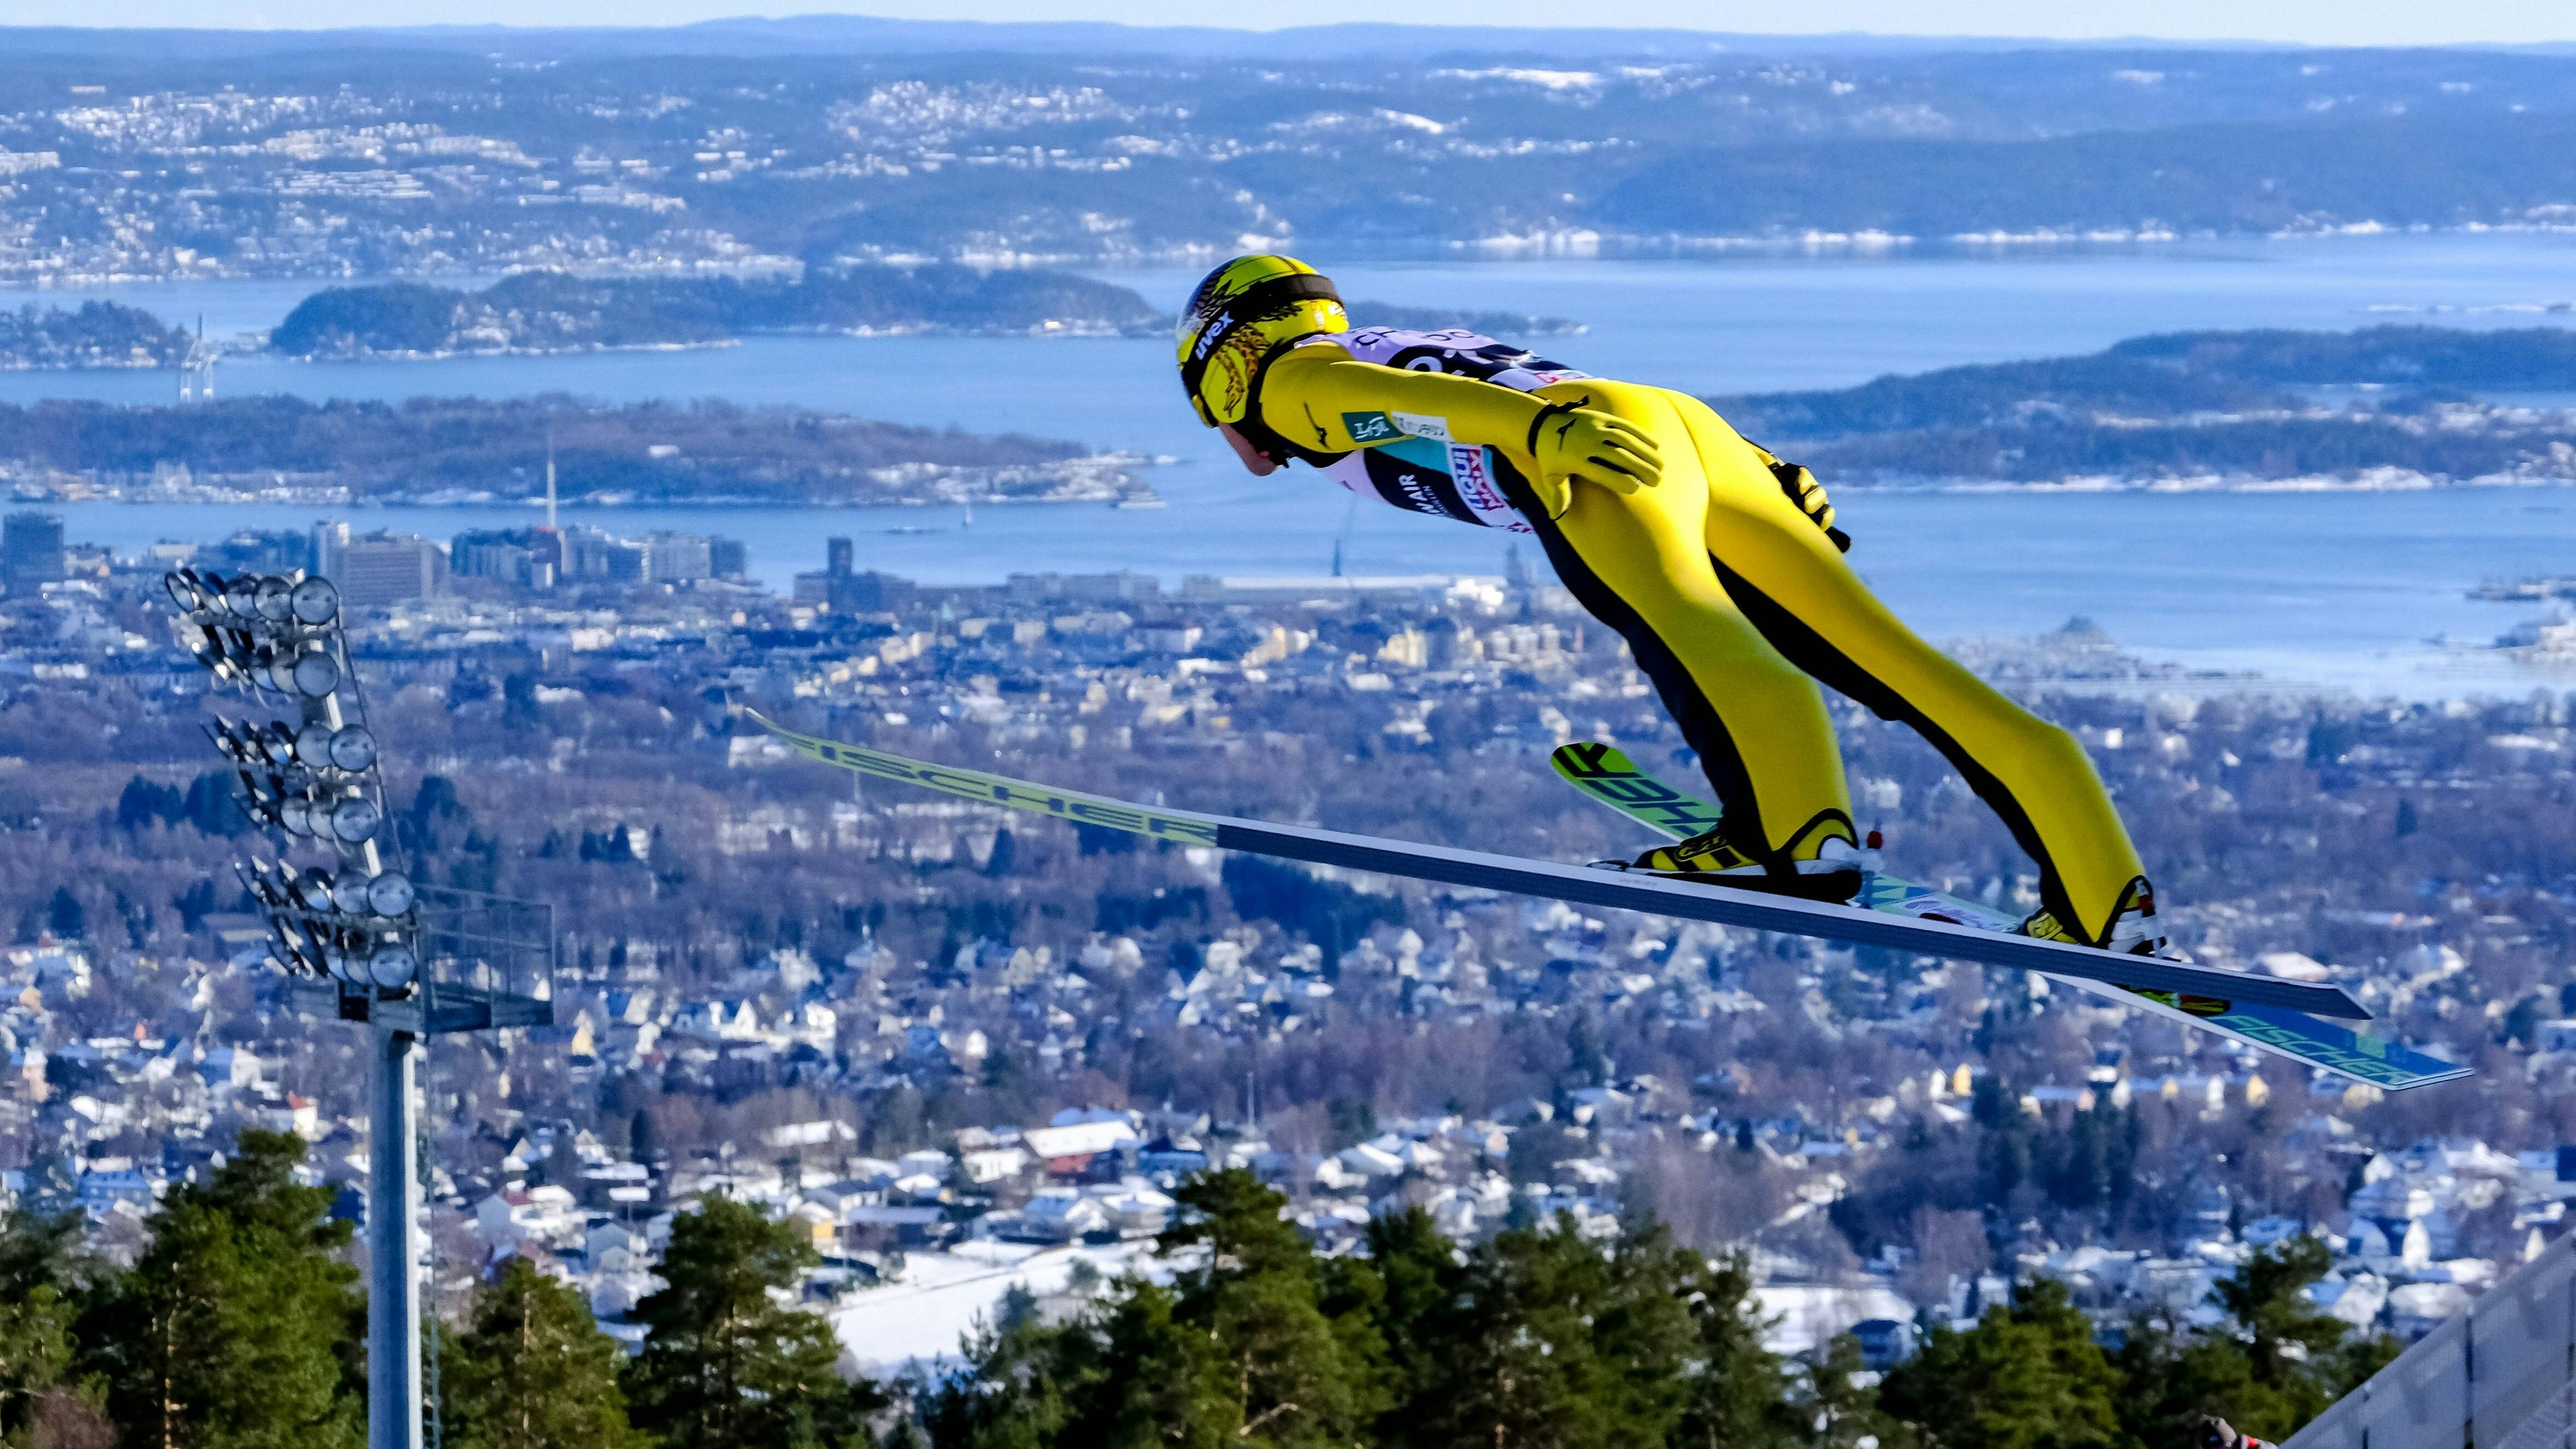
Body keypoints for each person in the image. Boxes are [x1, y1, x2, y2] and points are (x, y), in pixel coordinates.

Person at [1173, 252, 2167, 954]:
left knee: (1694, 635)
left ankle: (1792, 842)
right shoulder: (1393, 341)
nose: (1227, 431)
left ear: (1224, 362)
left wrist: (1537, 435)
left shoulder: (1287, 383)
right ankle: (2102, 887)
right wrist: (1767, 471)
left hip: (1585, 451)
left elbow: (1417, 401)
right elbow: (1471, 384)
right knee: (1900, 666)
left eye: (1205, 400)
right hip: (1681, 426)